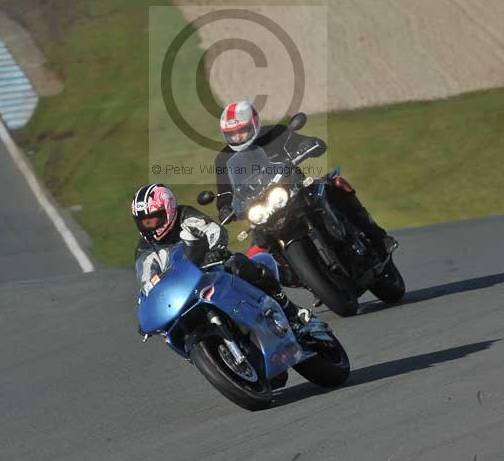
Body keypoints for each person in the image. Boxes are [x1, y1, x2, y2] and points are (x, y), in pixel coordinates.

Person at [214, 100, 398, 262]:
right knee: (258, 251)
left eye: (242, 131)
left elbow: (302, 141)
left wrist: (309, 144)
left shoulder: (274, 133)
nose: (237, 137)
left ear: (254, 124)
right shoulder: (223, 159)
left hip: (296, 188)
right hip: (262, 209)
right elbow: (224, 193)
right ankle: (295, 280)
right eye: (232, 133)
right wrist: (224, 208)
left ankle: (379, 238)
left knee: (334, 185)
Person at [132, 183, 314, 335]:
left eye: (153, 220)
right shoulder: (145, 250)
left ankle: (291, 311)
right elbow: (147, 283)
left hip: (212, 269)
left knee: (241, 265)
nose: (149, 227)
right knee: (173, 328)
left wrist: (214, 250)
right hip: (183, 294)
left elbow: (213, 230)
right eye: (143, 223)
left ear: (169, 209)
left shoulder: (185, 216)